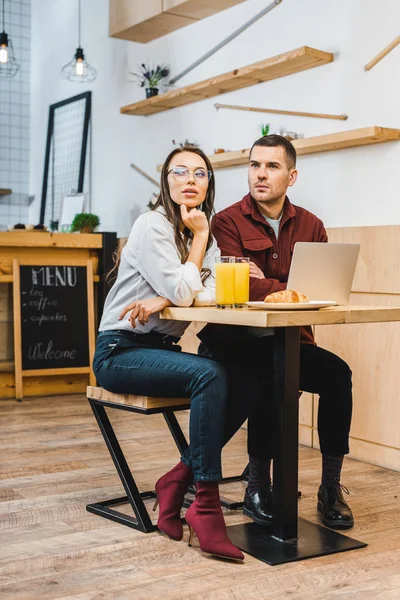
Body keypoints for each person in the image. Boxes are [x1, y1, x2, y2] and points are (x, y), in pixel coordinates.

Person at [92, 145, 244, 561]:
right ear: (167, 181)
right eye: (181, 172)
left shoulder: (202, 232)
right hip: (120, 352)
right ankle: (207, 508)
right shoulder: (153, 225)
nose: (191, 180)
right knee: (210, 374)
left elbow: (210, 294)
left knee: (245, 380)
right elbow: (186, 291)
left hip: (160, 348)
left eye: (200, 173)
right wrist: (189, 258)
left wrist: (167, 295)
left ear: (209, 182)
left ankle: (177, 481)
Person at [199, 134, 354, 530]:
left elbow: (323, 290)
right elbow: (236, 284)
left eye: (272, 166)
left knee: (339, 376)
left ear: (292, 175)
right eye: (254, 165)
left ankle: (330, 488)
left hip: (291, 340)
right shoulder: (226, 221)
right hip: (234, 344)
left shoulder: (312, 225)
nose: (260, 174)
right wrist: (287, 288)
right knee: (271, 376)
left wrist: (268, 283)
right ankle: (256, 487)